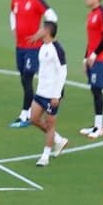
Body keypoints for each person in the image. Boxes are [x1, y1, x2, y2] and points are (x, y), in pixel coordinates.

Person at [8, 0, 57, 128]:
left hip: (33, 48)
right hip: (20, 47)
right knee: (24, 78)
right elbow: (12, 13)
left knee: (27, 78)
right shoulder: (15, 0)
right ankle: (33, 109)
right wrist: (14, 28)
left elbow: (52, 17)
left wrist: (41, 33)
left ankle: (25, 114)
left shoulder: (36, 0)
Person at [31, 22, 70, 167]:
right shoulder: (43, 46)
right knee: (33, 118)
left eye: (41, 28)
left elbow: (63, 72)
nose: (39, 30)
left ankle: (45, 156)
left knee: (50, 124)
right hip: (41, 91)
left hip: (51, 95)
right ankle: (59, 140)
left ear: (47, 31)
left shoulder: (57, 49)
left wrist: (57, 95)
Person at [80, 0, 103, 140]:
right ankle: (96, 124)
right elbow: (92, 39)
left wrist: (94, 54)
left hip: (102, 58)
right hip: (93, 58)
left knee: (97, 89)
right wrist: (86, 57)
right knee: (94, 89)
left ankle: (99, 127)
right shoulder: (91, 14)